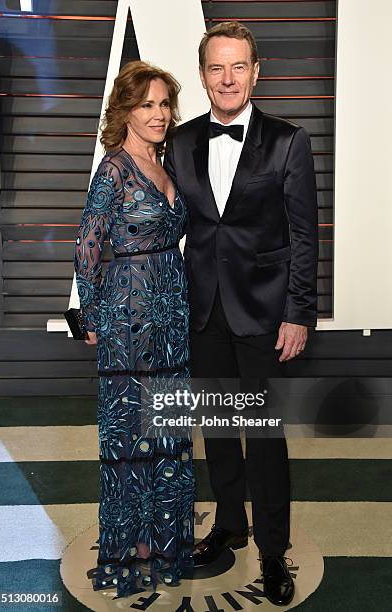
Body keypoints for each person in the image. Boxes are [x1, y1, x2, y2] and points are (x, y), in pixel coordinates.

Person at [164, 22, 318, 607]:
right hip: (202, 312)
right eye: (215, 68)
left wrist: (298, 313)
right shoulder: (179, 141)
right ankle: (230, 523)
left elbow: (305, 237)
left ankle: (274, 551)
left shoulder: (287, 141)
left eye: (238, 67)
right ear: (203, 75)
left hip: (266, 314)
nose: (227, 79)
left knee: (264, 436)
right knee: (220, 432)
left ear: (256, 72)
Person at [74, 60, 194, 599]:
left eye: (164, 103)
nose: (159, 114)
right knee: (130, 436)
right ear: (124, 110)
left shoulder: (167, 166)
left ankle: (162, 544)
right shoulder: (113, 170)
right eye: (146, 104)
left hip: (171, 316)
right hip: (128, 321)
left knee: (167, 432)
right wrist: (94, 319)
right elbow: (88, 248)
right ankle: (129, 549)